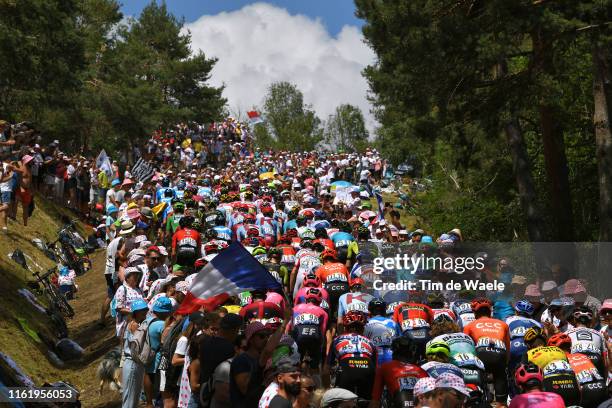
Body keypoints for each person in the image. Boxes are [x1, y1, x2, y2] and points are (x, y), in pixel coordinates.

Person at [463, 298, 510, 407]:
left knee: (479, 383)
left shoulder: (469, 326)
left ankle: (480, 400)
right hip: (500, 352)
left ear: (475, 312)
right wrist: (505, 364)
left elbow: (467, 348)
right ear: (490, 311)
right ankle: (501, 402)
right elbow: (507, 348)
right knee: (500, 375)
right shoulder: (502, 324)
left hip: (481, 353)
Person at [370, 336, 428, 408]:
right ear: (412, 353)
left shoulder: (384, 367)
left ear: (394, 352)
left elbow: (375, 399)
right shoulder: (421, 370)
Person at [144, 297, 173, 408]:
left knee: (148, 375)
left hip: (147, 354)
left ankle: (149, 402)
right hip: (158, 357)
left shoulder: (148, 319)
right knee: (161, 383)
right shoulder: (161, 325)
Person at [122, 299, 150, 408]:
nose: (144, 312)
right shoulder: (134, 326)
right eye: (141, 310)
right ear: (135, 312)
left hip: (135, 363)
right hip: (133, 363)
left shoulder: (136, 324)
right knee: (130, 399)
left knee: (133, 397)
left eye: (145, 309)